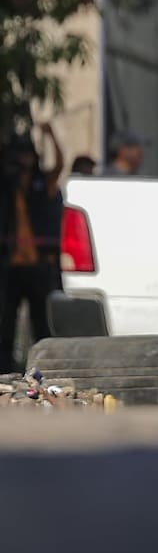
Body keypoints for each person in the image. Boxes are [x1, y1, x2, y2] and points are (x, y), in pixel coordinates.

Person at [1, 123, 65, 373]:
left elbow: (58, 166)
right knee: (6, 323)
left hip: (37, 266)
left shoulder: (41, 183)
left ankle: (43, 370)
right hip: (12, 265)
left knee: (41, 324)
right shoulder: (8, 186)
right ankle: (6, 370)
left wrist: (50, 135)